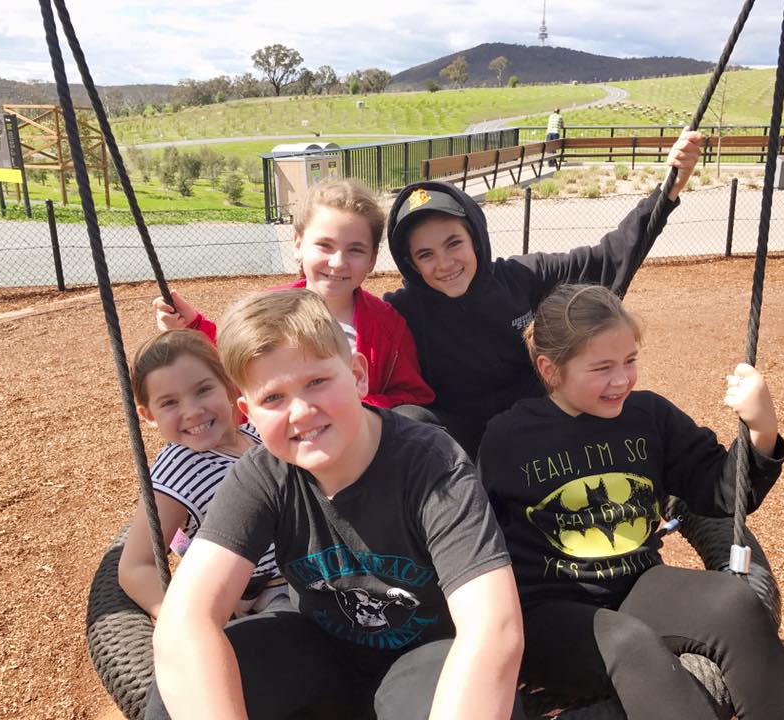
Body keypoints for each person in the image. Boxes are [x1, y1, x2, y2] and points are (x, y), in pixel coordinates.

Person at [145, 289, 525, 720]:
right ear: (247, 411)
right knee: (184, 679)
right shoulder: (264, 473)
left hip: (421, 660)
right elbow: (185, 621)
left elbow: (494, 628)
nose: (302, 411)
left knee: (489, 693)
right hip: (319, 650)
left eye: (317, 382)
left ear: (358, 375)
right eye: (274, 398)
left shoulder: (432, 465)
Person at [477, 284, 784, 720]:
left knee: (736, 602)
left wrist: (761, 430)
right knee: (629, 643)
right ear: (550, 369)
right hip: (549, 611)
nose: (622, 380)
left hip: (636, 583)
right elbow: (478, 542)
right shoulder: (508, 437)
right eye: (602, 367)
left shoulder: (649, 417)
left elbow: (721, 493)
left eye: (630, 361)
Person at [383, 129, 703, 456]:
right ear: (410, 264)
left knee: (636, 411)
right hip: (459, 449)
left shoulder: (521, 277)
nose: (444, 263)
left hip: (536, 432)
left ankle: (671, 494)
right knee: (401, 420)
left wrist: (668, 191)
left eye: (454, 244)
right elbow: (341, 321)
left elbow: (607, 259)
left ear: (475, 239)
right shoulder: (399, 312)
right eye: (426, 255)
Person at [153, 178, 434, 410]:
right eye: (325, 245)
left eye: (355, 250)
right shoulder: (268, 309)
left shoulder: (387, 326)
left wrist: (358, 405)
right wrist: (192, 327)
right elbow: (233, 361)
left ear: (372, 259)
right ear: (298, 245)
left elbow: (414, 398)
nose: (338, 262)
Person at [118, 330, 285, 619]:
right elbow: (135, 566)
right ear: (149, 416)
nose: (193, 411)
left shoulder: (257, 433)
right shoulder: (178, 471)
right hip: (273, 596)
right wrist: (188, 623)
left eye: (203, 390)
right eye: (169, 403)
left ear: (230, 387)